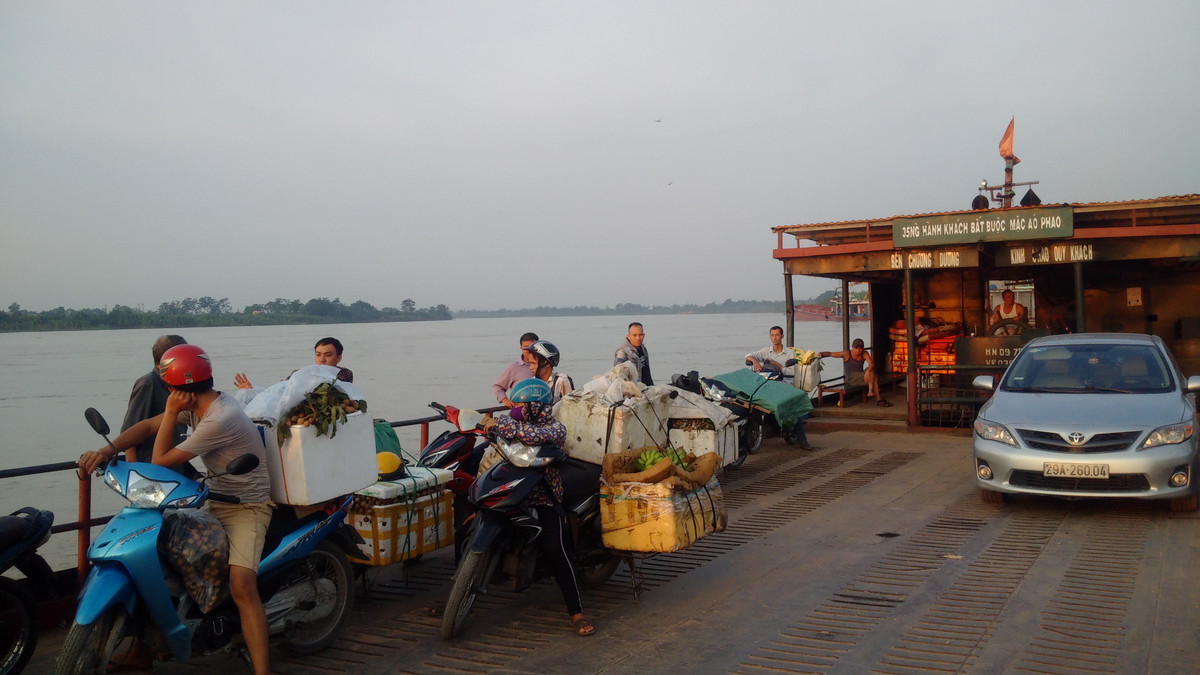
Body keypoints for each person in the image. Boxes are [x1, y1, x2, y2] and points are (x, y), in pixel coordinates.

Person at [79, 345, 274, 674]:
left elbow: (159, 462)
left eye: (168, 387)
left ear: (175, 390)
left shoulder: (220, 417)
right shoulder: (200, 403)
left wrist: (170, 413)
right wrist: (105, 450)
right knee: (155, 562)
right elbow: (145, 428)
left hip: (247, 507)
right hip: (212, 498)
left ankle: (262, 670)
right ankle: (146, 649)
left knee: (242, 585)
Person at [478, 378, 595, 637]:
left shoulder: (555, 429)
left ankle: (576, 611)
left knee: (558, 550)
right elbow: (503, 425)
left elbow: (537, 435)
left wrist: (505, 427)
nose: (516, 407)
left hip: (544, 494)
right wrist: (491, 426)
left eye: (521, 404)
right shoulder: (513, 421)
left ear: (536, 406)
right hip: (518, 488)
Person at [121, 335, 194, 474]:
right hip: (151, 463)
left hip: (174, 458)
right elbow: (130, 426)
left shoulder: (178, 383)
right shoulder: (148, 383)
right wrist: (134, 467)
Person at [234, 337, 352, 389]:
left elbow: (332, 389)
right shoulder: (299, 373)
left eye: (328, 355)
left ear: (339, 357)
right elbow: (279, 388)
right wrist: (252, 390)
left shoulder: (344, 374)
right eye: (318, 354)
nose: (322, 359)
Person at [820, 338, 889, 407]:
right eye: (856, 348)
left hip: (861, 376)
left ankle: (872, 393)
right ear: (852, 347)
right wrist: (822, 354)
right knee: (874, 377)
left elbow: (871, 363)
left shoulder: (864, 353)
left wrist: (867, 372)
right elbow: (831, 354)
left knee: (871, 372)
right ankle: (877, 397)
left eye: (860, 348)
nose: (858, 350)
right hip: (851, 379)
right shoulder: (847, 354)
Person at [493, 332, 539, 407]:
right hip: (520, 412)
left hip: (542, 411)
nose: (528, 350)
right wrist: (504, 399)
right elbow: (497, 386)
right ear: (521, 348)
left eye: (532, 347)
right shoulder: (514, 368)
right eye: (525, 347)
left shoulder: (544, 366)